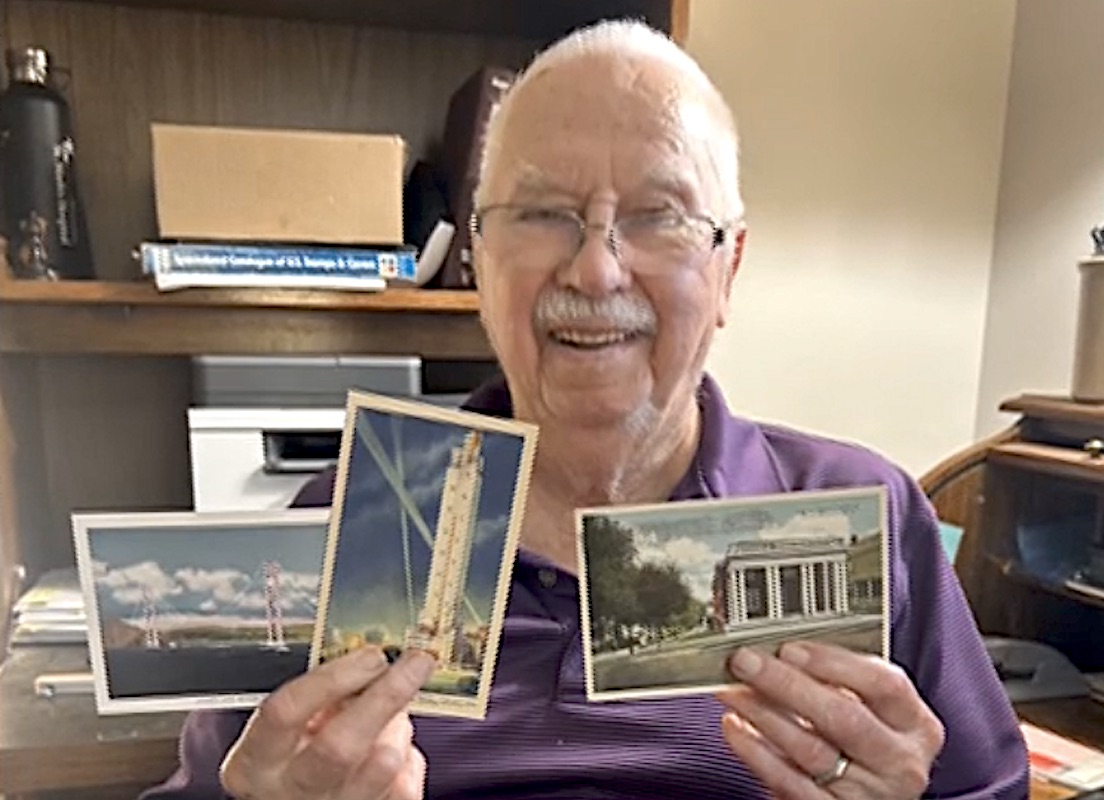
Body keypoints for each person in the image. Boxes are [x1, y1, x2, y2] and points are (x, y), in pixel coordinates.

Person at [141, 18, 1029, 800]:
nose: (596, 271)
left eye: (659, 215)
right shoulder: (348, 525)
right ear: (480, 264)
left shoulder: (869, 511)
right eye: (542, 213)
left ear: (730, 269)